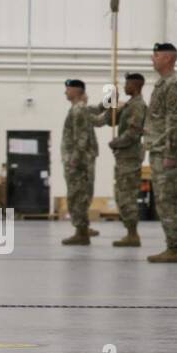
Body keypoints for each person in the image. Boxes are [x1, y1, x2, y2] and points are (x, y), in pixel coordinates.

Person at [142, 43, 177, 263]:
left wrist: (171, 152)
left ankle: (175, 248)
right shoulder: (162, 84)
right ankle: (172, 245)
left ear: (169, 59)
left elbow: (176, 121)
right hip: (159, 150)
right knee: (163, 201)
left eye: (157, 55)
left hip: (168, 153)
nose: (153, 58)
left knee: (168, 200)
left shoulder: (173, 85)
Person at [89, 72, 147, 246]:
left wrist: (116, 142)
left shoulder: (138, 106)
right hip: (124, 156)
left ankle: (133, 234)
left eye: (127, 84)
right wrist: (112, 103)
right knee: (122, 194)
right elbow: (111, 121)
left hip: (130, 156)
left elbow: (133, 132)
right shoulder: (129, 105)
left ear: (135, 86)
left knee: (127, 195)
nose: (124, 86)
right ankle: (130, 233)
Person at [60, 79, 98, 246]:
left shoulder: (78, 110)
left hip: (78, 162)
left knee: (77, 196)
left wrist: (74, 160)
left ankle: (81, 233)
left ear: (76, 91)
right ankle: (82, 230)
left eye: (68, 89)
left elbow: (81, 138)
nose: (65, 92)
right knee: (79, 195)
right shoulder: (79, 109)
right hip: (80, 160)